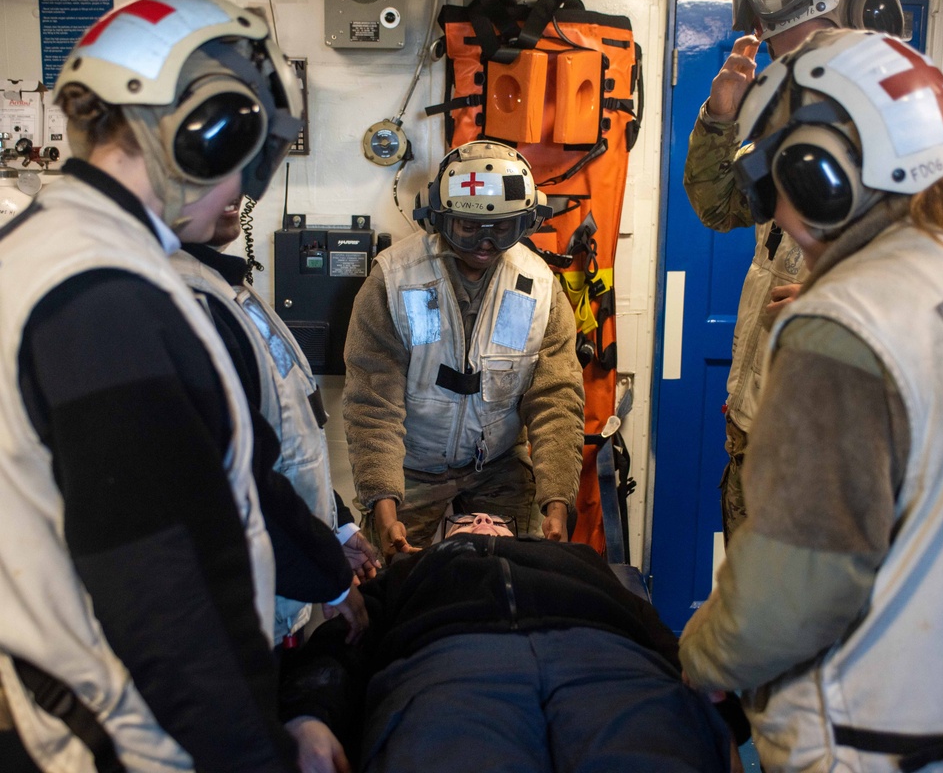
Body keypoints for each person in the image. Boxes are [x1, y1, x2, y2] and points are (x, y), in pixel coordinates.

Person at [0, 0, 315, 773]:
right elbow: (165, 598)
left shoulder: (44, 249)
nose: (244, 189)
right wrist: (263, 752)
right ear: (206, 138)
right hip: (146, 740)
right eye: (250, 155)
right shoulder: (105, 300)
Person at [679, 28, 943, 772]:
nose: (774, 207)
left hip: (872, 737)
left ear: (818, 173)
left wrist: (703, 651)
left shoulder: (848, 321)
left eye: (774, 176)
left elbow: (796, 592)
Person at [684, 0, 943, 542]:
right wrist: (720, 118)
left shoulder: (935, 143)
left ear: (871, 26)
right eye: (783, 64)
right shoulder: (795, 131)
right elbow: (720, 207)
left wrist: (844, 309)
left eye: (809, 56)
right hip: (763, 431)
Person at [279, 513, 737, 773]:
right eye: (465, 520)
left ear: (516, 535)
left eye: (493, 519)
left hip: (608, 664)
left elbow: (652, 628)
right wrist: (308, 715)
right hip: (451, 672)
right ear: (443, 539)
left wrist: (723, 723)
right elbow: (344, 639)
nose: (482, 521)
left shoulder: (576, 557)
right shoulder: (408, 571)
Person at [342, 140, 585, 559]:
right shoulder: (395, 281)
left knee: (516, 577)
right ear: (439, 218)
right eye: (467, 227)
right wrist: (383, 503)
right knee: (393, 579)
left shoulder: (539, 287)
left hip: (499, 465)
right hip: (410, 467)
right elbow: (372, 402)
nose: (485, 242)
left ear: (526, 223)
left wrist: (557, 500)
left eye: (503, 228)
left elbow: (555, 400)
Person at [173, 201, 380, 648]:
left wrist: (338, 525)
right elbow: (237, 478)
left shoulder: (229, 288)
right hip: (239, 609)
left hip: (279, 588)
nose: (238, 190)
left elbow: (290, 438)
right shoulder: (186, 302)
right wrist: (329, 575)